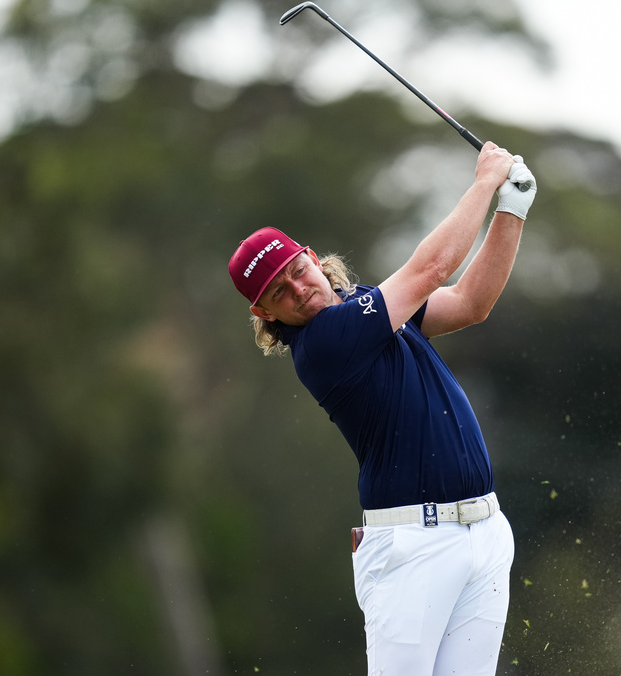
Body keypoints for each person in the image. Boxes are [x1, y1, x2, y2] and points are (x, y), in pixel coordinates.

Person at [227, 142, 537, 676]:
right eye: (280, 292)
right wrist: (486, 182)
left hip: (483, 533)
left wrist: (512, 208)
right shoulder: (325, 341)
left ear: (310, 255)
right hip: (413, 548)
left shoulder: (362, 306)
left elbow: (469, 303)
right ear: (264, 312)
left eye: (298, 270)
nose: (300, 290)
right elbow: (433, 267)